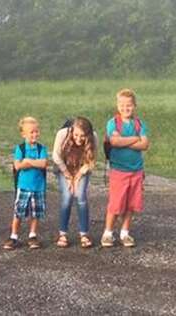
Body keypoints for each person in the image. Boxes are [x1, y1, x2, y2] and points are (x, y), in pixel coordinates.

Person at [101, 88, 149, 248]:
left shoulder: (139, 124)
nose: (125, 108)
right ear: (117, 105)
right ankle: (108, 233)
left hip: (136, 170)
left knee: (131, 204)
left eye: (128, 105)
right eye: (122, 105)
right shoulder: (113, 123)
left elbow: (145, 144)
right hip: (119, 170)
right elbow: (114, 142)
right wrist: (135, 138)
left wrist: (125, 140)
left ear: (134, 105)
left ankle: (125, 232)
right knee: (116, 203)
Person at [2, 117, 48, 250]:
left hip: (38, 187)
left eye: (36, 131)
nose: (35, 134)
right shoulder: (20, 148)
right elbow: (17, 165)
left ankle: (32, 235)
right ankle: (14, 236)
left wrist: (28, 162)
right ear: (23, 134)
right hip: (23, 187)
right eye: (31, 132)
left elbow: (44, 163)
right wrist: (31, 163)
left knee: (35, 213)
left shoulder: (41, 148)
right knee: (19, 212)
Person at [52, 117, 97, 248]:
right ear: (72, 130)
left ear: (87, 135)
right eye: (76, 134)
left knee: (81, 196)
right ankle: (62, 233)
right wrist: (67, 175)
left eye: (82, 136)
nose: (78, 138)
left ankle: (84, 233)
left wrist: (77, 176)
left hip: (81, 168)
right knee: (67, 196)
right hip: (63, 167)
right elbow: (56, 156)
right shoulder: (62, 134)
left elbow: (92, 161)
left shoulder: (93, 137)